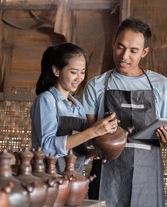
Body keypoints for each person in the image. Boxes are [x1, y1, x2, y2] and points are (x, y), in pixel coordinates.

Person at [82, 18, 167, 207]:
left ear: (144, 52)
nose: (124, 56)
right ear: (113, 43)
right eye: (120, 46)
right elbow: (89, 136)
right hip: (108, 170)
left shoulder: (161, 86)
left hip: (147, 174)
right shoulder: (97, 85)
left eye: (133, 50)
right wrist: (99, 137)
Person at [30, 42, 118, 174]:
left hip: (75, 179)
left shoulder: (78, 107)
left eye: (82, 72)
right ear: (56, 71)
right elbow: (47, 148)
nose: (79, 78)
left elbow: (76, 151)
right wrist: (93, 131)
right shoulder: (46, 100)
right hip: (49, 180)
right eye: (73, 72)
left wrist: (94, 152)